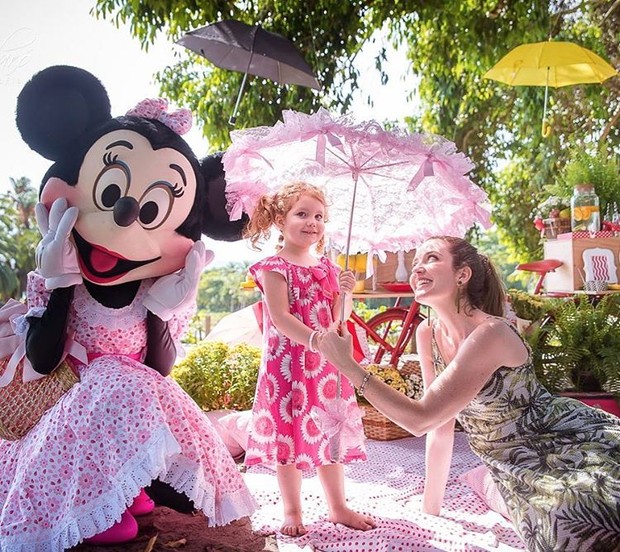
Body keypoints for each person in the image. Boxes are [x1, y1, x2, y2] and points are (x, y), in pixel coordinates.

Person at [0, 65, 256, 550]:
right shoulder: (63, 275)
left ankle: (121, 489)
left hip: (126, 407)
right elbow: (42, 358)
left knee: (134, 382)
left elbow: (158, 369)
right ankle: (86, 506)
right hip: (63, 408)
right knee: (118, 383)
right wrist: (59, 284)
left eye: (154, 208)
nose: (126, 213)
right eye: (113, 193)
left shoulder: (150, 291)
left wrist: (161, 310)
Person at [317, 235, 620, 552]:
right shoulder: (428, 333)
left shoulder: (492, 332)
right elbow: (438, 425)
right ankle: (487, 482)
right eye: (416, 261)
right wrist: (430, 510)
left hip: (558, 438)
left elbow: (419, 420)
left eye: (431, 258)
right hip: (508, 463)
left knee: (588, 510)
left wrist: (348, 367)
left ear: (462, 275)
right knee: (559, 522)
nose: (418, 268)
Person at [243, 181, 376, 537]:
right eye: (301, 214)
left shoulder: (328, 268)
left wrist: (344, 294)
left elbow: (339, 319)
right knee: (288, 435)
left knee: (329, 432)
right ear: (280, 220)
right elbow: (281, 317)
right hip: (286, 364)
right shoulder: (274, 267)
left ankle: (337, 507)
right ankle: (292, 510)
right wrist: (315, 339)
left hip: (325, 366)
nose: (311, 222)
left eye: (318, 216)